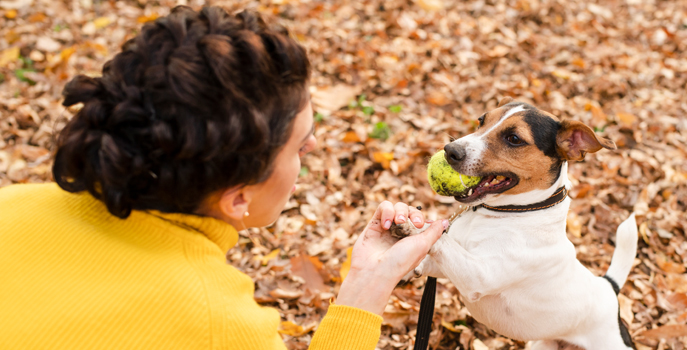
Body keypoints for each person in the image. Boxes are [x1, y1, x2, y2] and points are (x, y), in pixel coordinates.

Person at [0, 6, 448, 350]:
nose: (311, 147)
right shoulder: (215, 320)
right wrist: (363, 299)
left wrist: (369, 279)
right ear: (237, 198)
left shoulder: (13, 205)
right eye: (298, 145)